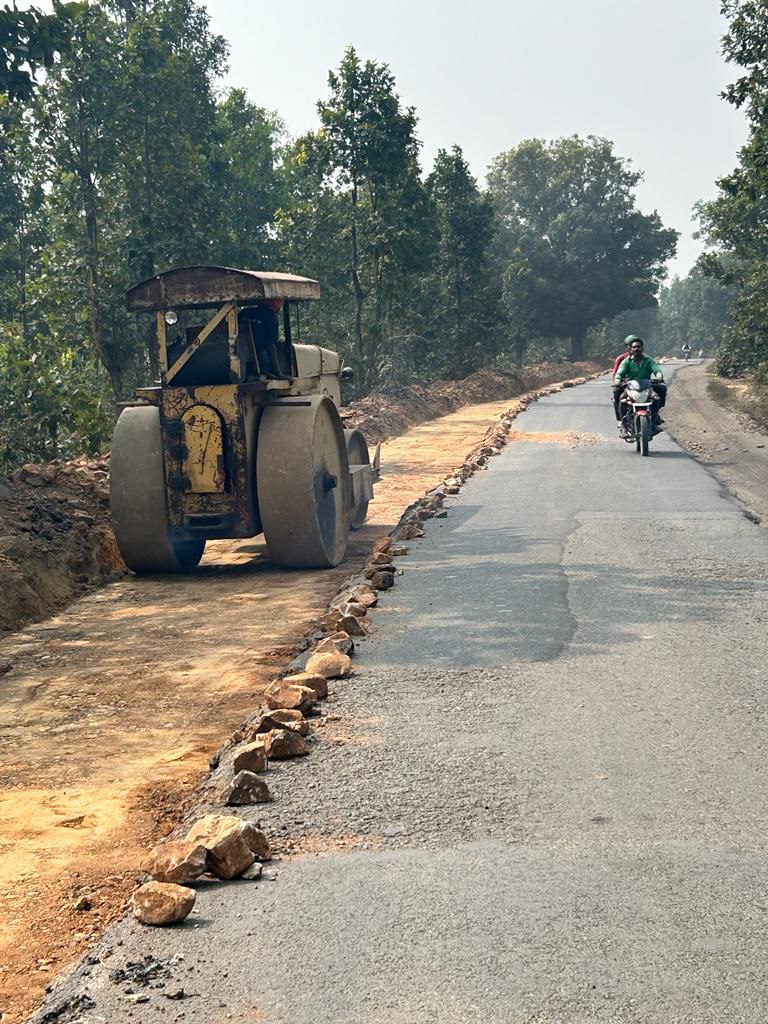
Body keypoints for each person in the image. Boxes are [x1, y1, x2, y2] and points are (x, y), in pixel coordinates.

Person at [614, 337, 666, 434]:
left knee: (657, 396)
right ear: (631, 349)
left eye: (638, 346)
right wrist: (617, 380)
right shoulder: (626, 361)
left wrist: (659, 376)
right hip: (630, 387)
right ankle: (624, 424)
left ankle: (655, 419)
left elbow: (656, 370)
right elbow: (619, 373)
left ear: (642, 348)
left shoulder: (648, 360)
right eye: (634, 347)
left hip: (647, 387)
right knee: (621, 398)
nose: (636, 349)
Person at [611, 336, 634, 431]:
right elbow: (616, 374)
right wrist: (618, 382)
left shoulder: (644, 358)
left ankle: (654, 417)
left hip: (641, 383)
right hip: (626, 384)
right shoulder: (621, 359)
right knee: (617, 393)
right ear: (627, 347)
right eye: (631, 345)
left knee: (659, 390)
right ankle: (621, 419)